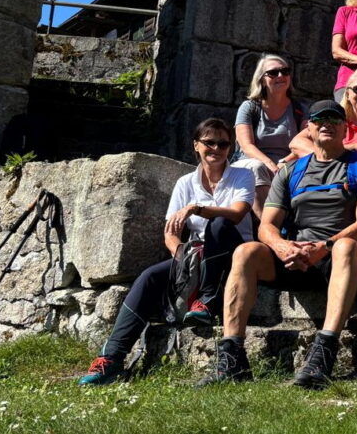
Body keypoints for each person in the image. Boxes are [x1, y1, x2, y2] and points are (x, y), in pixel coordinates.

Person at [198, 100, 357, 389]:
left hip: (335, 256)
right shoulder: (292, 171)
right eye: (319, 119)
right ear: (308, 128)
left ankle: (323, 354)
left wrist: (324, 246)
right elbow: (267, 225)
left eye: (335, 119)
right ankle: (232, 358)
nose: (327, 124)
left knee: (346, 246)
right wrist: (283, 247)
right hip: (293, 255)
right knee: (246, 251)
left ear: (346, 127)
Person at [80, 119, 254, 385]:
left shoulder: (242, 175)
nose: (216, 148)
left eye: (223, 143)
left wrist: (196, 209)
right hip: (197, 256)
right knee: (149, 276)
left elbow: (237, 213)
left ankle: (206, 301)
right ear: (196, 145)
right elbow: (170, 232)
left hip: (234, 254)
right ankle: (111, 358)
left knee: (219, 225)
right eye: (210, 142)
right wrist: (180, 257)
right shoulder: (185, 183)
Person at [233, 54, 307, 218]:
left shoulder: (299, 109)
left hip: (287, 163)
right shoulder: (249, 107)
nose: (281, 76)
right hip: (252, 163)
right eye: (273, 73)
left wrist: (283, 163)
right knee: (257, 168)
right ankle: (267, 225)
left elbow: (304, 143)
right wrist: (269, 164)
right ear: (262, 80)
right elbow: (246, 145)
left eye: (285, 71)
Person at [288, 68, 357, 159]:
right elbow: (297, 142)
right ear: (348, 93)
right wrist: (323, 157)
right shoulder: (334, 115)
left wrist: (330, 152)